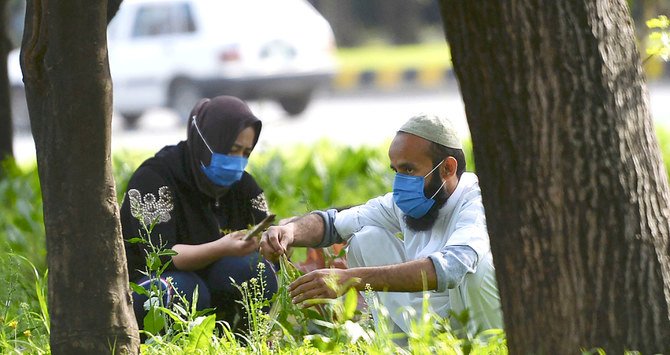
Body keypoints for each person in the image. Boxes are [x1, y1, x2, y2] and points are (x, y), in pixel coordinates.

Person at [260, 113, 502, 336]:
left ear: (448, 168)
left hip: (481, 322)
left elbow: (452, 267)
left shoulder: (478, 201)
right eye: (396, 170)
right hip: (434, 321)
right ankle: (399, 346)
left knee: (477, 269)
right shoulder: (405, 203)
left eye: (409, 169)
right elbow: (335, 223)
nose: (400, 182)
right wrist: (289, 232)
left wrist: (349, 278)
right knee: (366, 240)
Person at [120, 95, 278, 332]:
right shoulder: (155, 178)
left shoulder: (243, 187)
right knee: (183, 290)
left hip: (211, 279)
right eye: (231, 149)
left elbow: (264, 247)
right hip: (153, 283)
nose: (237, 161)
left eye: (245, 152)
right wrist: (222, 247)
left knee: (257, 270)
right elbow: (161, 257)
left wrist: (273, 245)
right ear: (208, 142)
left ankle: (243, 337)